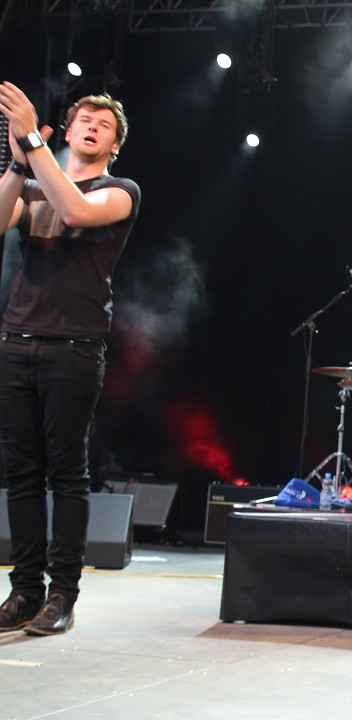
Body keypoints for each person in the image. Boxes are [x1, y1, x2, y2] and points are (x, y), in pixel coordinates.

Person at [0, 83, 140, 635]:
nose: (90, 126)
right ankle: (24, 591)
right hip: (14, 342)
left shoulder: (120, 190)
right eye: (83, 119)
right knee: (20, 476)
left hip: (74, 348)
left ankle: (62, 596)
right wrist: (16, 162)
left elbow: (76, 211)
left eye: (102, 125)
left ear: (114, 144)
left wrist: (33, 139)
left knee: (67, 474)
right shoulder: (32, 184)